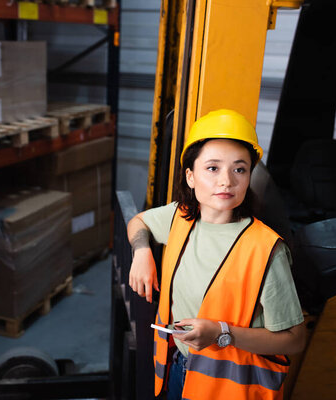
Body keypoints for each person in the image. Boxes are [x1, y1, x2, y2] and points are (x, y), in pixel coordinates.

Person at [127, 109, 306, 400]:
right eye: (212, 168)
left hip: (229, 390)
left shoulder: (266, 250)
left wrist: (223, 333)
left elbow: (295, 340)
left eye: (239, 169)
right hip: (178, 372)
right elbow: (138, 222)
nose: (226, 181)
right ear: (191, 176)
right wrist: (142, 251)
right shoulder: (179, 218)